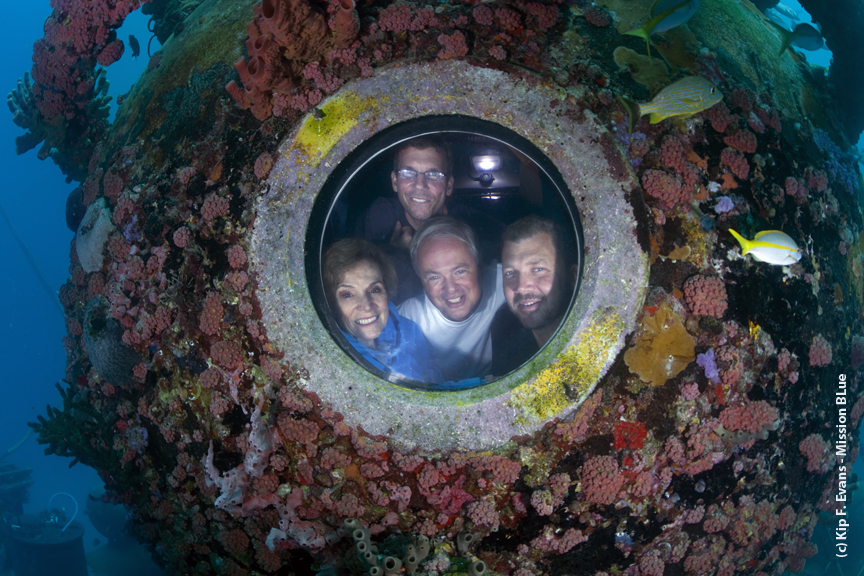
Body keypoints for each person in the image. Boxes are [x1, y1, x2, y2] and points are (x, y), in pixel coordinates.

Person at [357, 136, 503, 303]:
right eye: (408, 173)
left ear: (449, 185)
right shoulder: (379, 219)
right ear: (394, 181)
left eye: (433, 174)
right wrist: (394, 256)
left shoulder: (476, 226)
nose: (420, 185)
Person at [398, 217, 506, 381]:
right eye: (434, 277)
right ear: (420, 280)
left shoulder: (506, 282)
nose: (451, 288)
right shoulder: (408, 317)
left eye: (460, 271)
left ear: (478, 265)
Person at [323, 238, 442, 384]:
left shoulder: (408, 330)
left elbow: (434, 382)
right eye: (347, 294)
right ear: (330, 303)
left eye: (374, 290)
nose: (366, 305)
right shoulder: (334, 360)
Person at [490, 215, 578, 376]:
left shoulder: (600, 339)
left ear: (573, 277)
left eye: (538, 269)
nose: (522, 287)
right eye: (510, 273)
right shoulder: (504, 331)